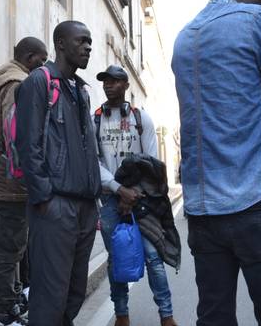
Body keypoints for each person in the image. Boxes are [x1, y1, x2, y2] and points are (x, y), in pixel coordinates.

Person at [171, 0, 261, 325]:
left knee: (213, 316)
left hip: (204, 209)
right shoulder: (256, 19)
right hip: (258, 199)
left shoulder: (186, 35)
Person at [15, 20, 101, 325]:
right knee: (50, 295)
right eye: (82, 41)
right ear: (61, 44)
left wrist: (95, 200)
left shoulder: (80, 90)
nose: (88, 47)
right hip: (55, 206)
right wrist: (44, 198)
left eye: (90, 41)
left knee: (74, 292)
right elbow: (28, 143)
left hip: (85, 206)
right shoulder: (38, 82)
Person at [95, 65, 178, 326]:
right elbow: (93, 161)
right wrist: (119, 191)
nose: (109, 85)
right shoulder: (95, 119)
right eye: (105, 81)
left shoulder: (142, 119)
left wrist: (134, 194)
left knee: (153, 255)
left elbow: (151, 163)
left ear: (126, 85)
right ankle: (121, 314)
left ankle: (167, 315)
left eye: (115, 81)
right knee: (117, 258)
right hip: (110, 198)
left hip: (141, 199)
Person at [0, 36, 48, 326]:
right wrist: (32, 179)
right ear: (29, 57)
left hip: (3, 179)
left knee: (15, 246)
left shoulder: (4, 80)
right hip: (10, 182)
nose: (42, 67)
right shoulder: (18, 85)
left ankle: (14, 301)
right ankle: (5, 313)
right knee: (8, 249)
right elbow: (16, 139)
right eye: (41, 61)